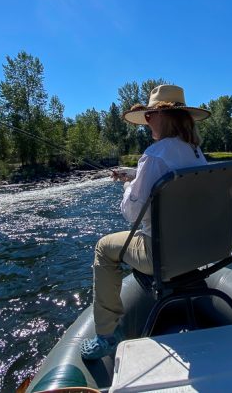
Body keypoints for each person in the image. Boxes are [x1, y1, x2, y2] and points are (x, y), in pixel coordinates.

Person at [80, 84, 211, 360]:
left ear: (165, 117)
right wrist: (134, 174)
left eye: (151, 115)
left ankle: (106, 335)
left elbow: (132, 212)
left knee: (104, 247)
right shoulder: (197, 153)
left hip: (161, 254)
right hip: (198, 248)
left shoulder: (154, 156)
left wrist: (126, 187)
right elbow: (162, 177)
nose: (147, 121)